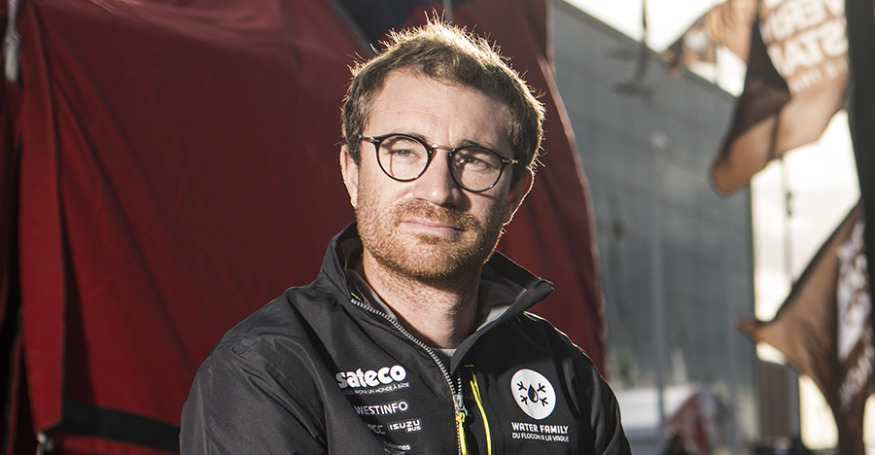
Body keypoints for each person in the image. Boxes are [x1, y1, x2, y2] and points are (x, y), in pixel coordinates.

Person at [180, 19, 630, 454]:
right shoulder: (266, 370)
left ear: (514, 194)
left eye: (475, 160)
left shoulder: (570, 379)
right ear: (352, 172)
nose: (439, 190)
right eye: (404, 151)